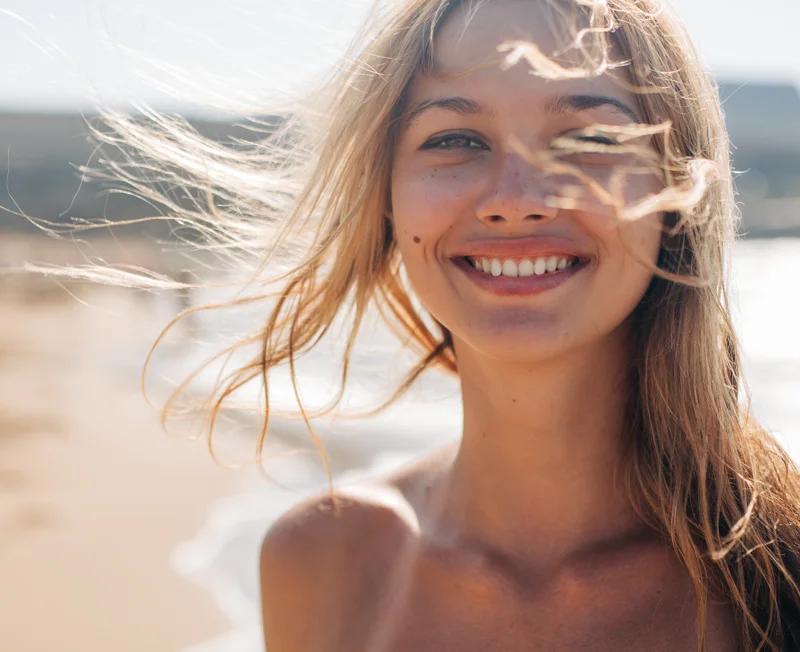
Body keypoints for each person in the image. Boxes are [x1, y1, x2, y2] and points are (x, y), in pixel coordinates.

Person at [55, 0, 798, 650]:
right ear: (387, 202)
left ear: (674, 194)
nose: (516, 198)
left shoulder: (779, 565)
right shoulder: (323, 563)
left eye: (588, 139)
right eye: (455, 140)